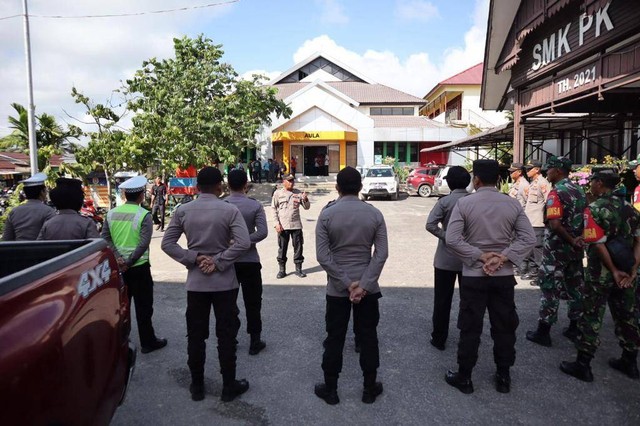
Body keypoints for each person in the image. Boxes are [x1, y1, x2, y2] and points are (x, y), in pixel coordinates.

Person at [444, 160, 535, 394]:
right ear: (498, 179)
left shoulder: (465, 204)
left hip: (474, 275)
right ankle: (503, 377)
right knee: (504, 327)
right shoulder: (512, 204)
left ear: (476, 180)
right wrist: (503, 257)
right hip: (503, 276)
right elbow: (528, 238)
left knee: (470, 327)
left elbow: (452, 239)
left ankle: (465, 377)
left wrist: (480, 256)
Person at [161, 167, 251, 403]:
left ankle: (197, 386)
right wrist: (219, 260)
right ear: (220, 186)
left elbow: (168, 244)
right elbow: (243, 243)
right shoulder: (229, 210)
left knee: (196, 336)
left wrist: (194, 257)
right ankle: (228, 387)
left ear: (197, 187)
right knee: (226, 336)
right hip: (225, 283)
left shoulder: (183, 210)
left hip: (196, 283)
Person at [314, 166, 388, 405]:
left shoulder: (327, 215)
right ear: (360, 187)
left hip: (337, 289)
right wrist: (363, 285)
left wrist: (346, 284)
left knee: (334, 337)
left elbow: (323, 257)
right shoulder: (374, 214)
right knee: (368, 337)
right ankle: (369, 388)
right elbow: (381, 254)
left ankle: (332, 389)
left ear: (337, 187)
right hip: (368, 289)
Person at [560, 170, 640, 382]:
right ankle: (630, 361)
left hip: (601, 273)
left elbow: (597, 242)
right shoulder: (630, 209)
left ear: (600, 183)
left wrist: (613, 270)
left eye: (593, 182)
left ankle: (583, 364)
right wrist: (632, 270)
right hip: (628, 272)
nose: (591, 185)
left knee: (592, 314)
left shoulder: (594, 209)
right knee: (628, 315)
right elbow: (638, 240)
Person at [101, 175, 167, 354]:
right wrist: (129, 262)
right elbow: (144, 243)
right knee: (143, 306)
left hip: (118, 267)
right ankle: (148, 342)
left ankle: (121, 343)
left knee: (121, 307)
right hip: (139, 267)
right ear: (141, 196)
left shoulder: (111, 213)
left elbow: (105, 237)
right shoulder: (143, 215)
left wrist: (118, 257)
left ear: (124, 195)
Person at [526, 156, 587, 347]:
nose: (547, 172)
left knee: (550, 288)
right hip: (575, 249)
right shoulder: (579, 190)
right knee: (575, 288)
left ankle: (543, 332)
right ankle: (574, 327)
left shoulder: (556, 193)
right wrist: (578, 240)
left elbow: (554, 224)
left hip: (557, 251)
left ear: (559, 171)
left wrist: (569, 239)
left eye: (550, 169)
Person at [425, 166, 471, 350]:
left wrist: (447, 237)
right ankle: (466, 336)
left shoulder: (445, 202)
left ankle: (439, 338)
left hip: (446, 258)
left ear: (449, 182)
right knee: (468, 301)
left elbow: (430, 225)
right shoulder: (474, 200)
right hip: (470, 258)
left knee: (442, 300)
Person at [226, 169, 269, 355]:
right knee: (253, 303)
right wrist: (245, 241)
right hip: (250, 260)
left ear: (228, 185)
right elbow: (262, 232)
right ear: (246, 185)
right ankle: (255, 341)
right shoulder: (254, 205)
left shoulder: (222, 205)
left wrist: (231, 243)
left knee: (229, 303)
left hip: (227, 262)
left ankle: (231, 339)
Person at [272, 174, 311, 279]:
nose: (291, 183)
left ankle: (298, 269)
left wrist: (305, 199)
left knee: (298, 248)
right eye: (289, 181)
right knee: (282, 248)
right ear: (283, 182)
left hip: (296, 225)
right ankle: (282, 270)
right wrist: (276, 224)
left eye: (292, 181)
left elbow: (307, 207)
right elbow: (274, 209)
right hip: (283, 226)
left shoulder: (298, 193)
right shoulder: (277, 193)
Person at [521, 160, 551, 281]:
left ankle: (541, 274)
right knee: (532, 247)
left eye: (530, 169)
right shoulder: (533, 183)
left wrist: (546, 220)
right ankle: (534, 271)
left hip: (538, 222)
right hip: (531, 221)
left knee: (538, 248)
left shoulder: (543, 183)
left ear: (537, 170)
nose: (527, 171)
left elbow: (548, 202)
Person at [2, 172, 55, 241]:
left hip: (18, 250)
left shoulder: (14, 211)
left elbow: (7, 238)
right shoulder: (48, 211)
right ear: (42, 192)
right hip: (41, 250)